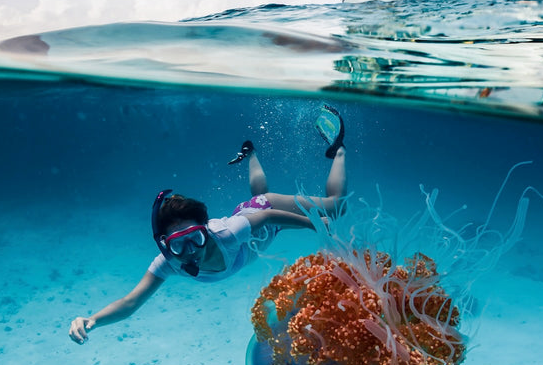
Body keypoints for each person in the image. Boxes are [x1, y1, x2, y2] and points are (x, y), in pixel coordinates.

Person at [68, 105, 348, 344]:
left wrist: (313, 225)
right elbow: (130, 302)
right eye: (179, 243)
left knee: (335, 208)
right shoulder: (168, 263)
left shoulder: (227, 233)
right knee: (257, 197)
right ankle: (250, 153)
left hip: (263, 211)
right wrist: (92, 320)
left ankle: (338, 149)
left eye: (195, 238)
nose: (191, 251)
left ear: (206, 230)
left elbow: (267, 216)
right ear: (166, 246)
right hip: (252, 221)